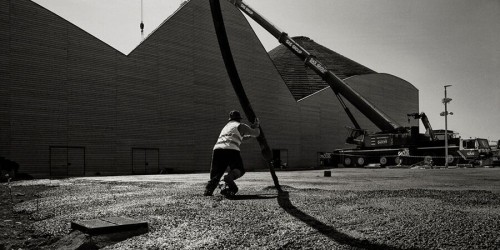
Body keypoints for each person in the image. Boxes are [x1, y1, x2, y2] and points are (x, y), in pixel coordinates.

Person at [204, 110, 260, 196]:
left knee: (217, 174)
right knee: (239, 169)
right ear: (239, 119)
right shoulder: (240, 125)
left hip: (217, 150)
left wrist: (249, 132)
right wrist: (256, 126)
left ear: (230, 119)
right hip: (231, 149)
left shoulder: (226, 127)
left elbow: (242, 138)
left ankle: (208, 190)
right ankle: (228, 178)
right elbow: (256, 134)